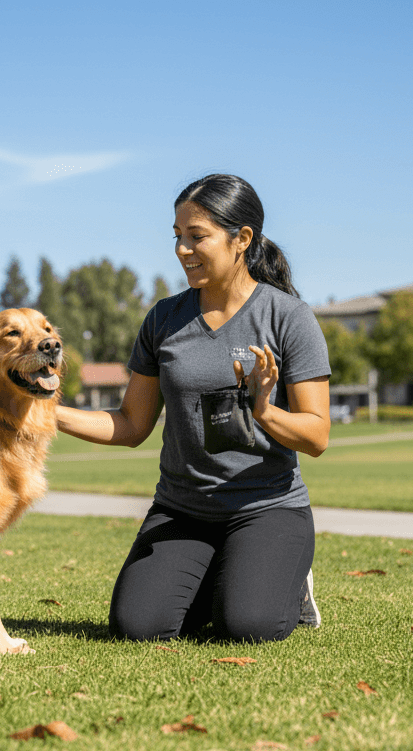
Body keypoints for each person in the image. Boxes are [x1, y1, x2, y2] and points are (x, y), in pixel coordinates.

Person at [56, 174, 331, 643]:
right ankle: (229, 572)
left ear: (241, 239)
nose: (183, 249)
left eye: (196, 236)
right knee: (137, 628)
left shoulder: (288, 317)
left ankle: (290, 585)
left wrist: (265, 410)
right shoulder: (164, 318)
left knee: (248, 626)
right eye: (178, 237)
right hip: (182, 509)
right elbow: (130, 424)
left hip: (266, 507)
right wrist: (45, 412)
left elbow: (317, 435)